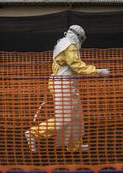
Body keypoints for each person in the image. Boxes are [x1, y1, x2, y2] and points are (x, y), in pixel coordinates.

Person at [25, 25, 110, 153]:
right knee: (64, 119)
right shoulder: (69, 45)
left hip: (65, 84)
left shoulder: (62, 42)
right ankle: (33, 134)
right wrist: (97, 71)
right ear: (77, 37)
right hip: (62, 84)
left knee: (75, 116)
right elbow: (76, 66)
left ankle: (74, 146)